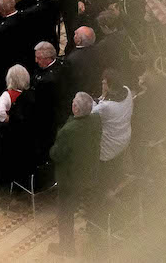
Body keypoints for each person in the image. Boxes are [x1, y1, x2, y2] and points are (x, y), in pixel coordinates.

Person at [49, 91, 103, 256]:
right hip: (90, 171)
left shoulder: (68, 130)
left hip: (70, 179)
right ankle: (95, 237)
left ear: (76, 109)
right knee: (90, 206)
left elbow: (56, 154)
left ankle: (67, 247)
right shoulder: (96, 120)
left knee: (65, 213)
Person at [0, 62, 34, 196]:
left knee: (3, 165)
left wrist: (8, 120)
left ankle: (2, 195)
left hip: (6, 135)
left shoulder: (7, 95)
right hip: (22, 135)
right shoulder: (30, 95)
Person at [93, 67, 133, 178]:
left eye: (105, 82)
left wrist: (102, 95)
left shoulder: (106, 106)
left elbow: (92, 111)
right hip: (124, 137)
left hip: (109, 146)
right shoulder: (127, 91)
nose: (102, 83)